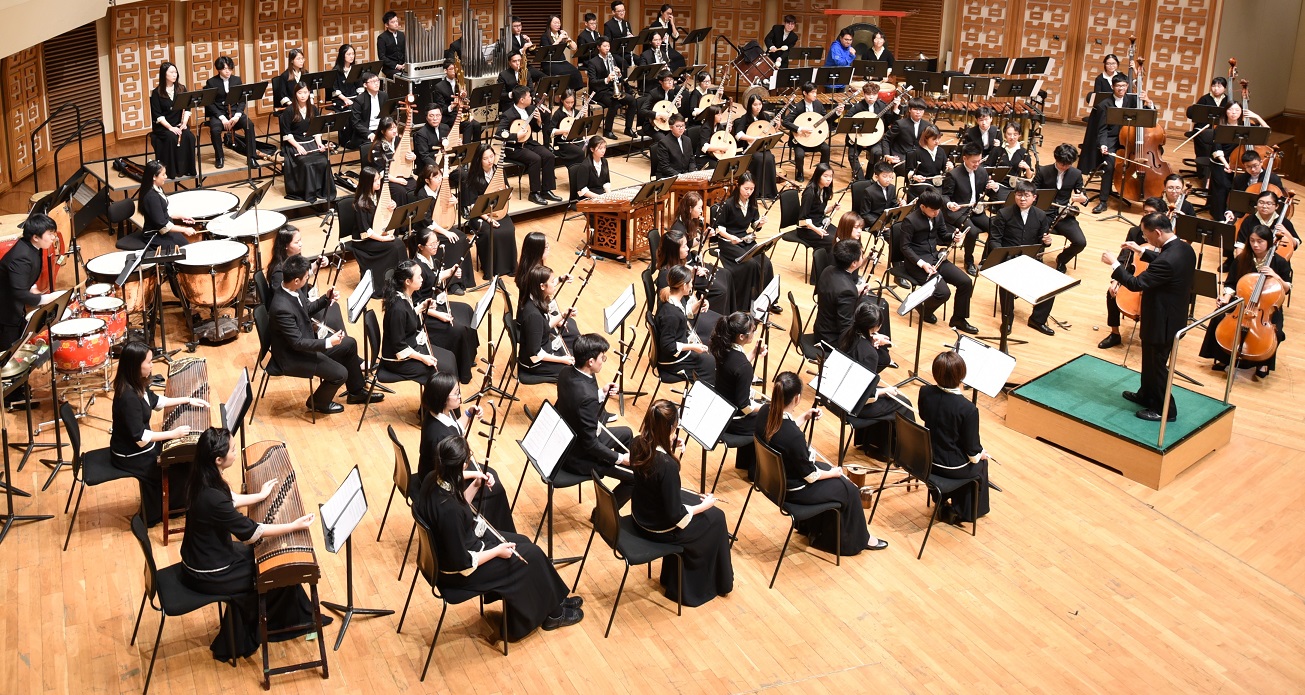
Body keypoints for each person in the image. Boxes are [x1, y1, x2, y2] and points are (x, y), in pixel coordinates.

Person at [413, 436, 584, 641]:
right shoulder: (449, 511)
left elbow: (459, 505)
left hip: (458, 549)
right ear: (461, 465)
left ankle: (554, 602)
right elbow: (462, 563)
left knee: (524, 543)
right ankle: (554, 615)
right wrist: (497, 552)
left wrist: (477, 483)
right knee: (531, 556)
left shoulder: (433, 479)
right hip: (459, 573)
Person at [180, 428, 325, 661]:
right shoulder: (212, 497)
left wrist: (259, 496)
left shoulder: (202, 475)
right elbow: (253, 532)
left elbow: (231, 499)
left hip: (201, 556)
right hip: (209, 572)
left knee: (270, 559)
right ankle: (279, 624)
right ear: (218, 460)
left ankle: (295, 617)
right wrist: (293, 526)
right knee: (273, 571)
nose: (235, 453)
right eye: (232, 450)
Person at [754, 372, 888, 553]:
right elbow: (810, 476)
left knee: (829, 472)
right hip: (794, 491)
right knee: (850, 489)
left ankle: (813, 529)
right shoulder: (793, 437)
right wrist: (834, 473)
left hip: (773, 481)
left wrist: (804, 417)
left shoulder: (765, 411)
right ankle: (860, 540)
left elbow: (780, 435)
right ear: (797, 398)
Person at [630, 399, 734, 606]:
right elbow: (676, 516)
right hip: (659, 527)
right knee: (716, 517)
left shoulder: (636, 443)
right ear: (670, 427)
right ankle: (702, 588)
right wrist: (703, 506)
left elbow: (654, 474)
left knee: (704, 510)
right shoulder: (667, 466)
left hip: (640, 515)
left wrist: (668, 446)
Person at [1099, 213, 1196, 422]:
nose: (1145, 238)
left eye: (1146, 234)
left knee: (1157, 366)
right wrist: (1140, 250)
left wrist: (1115, 264)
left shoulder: (1167, 260)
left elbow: (1136, 284)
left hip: (1162, 321)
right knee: (1150, 361)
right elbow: (1164, 260)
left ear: (1157, 232)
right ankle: (1146, 394)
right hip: (1169, 315)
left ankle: (1165, 410)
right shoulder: (1184, 248)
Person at [111, 341, 207, 527]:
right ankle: (161, 511)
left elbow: (156, 401)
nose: (152, 365)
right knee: (180, 467)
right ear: (135, 366)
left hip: (140, 446)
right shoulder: (128, 398)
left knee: (186, 459)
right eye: (148, 362)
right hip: (131, 455)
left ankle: (175, 503)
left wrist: (187, 400)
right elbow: (140, 437)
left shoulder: (137, 382)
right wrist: (173, 434)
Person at [269, 255, 377, 415]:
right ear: (296, 280)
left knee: (349, 343)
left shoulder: (292, 289)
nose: (308, 278)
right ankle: (318, 402)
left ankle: (356, 392)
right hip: (293, 357)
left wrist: (326, 299)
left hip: (305, 344)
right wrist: (328, 342)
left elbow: (306, 308)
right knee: (341, 374)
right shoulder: (281, 307)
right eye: (306, 276)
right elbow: (297, 343)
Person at [418, 373, 514, 532]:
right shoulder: (439, 437)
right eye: (456, 393)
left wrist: (468, 413)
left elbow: (455, 429)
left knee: (492, 474)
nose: (460, 396)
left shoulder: (440, 412)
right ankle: (493, 532)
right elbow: (447, 475)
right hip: (440, 485)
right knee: (495, 490)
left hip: (448, 470)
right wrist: (477, 475)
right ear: (442, 397)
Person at [1198, 224, 1291, 379]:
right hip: (1242, 302)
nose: (1255, 245)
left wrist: (1275, 276)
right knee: (1218, 316)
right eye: (1252, 241)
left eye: (1260, 241)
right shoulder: (1242, 259)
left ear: (1269, 242)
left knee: (1276, 332)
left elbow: (1287, 288)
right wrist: (1226, 297)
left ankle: (1263, 361)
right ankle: (1224, 357)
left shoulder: (1279, 262)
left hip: (1267, 307)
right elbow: (1231, 283)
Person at [556, 334, 635, 505]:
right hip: (579, 458)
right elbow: (591, 445)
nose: (603, 361)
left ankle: (631, 467)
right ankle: (601, 515)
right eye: (602, 358)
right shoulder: (587, 397)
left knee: (627, 433)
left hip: (570, 440)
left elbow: (576, 403)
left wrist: (601, 393)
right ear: (590, 362)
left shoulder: (565, 372)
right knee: (634, 478)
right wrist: (620, 458)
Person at [917, 351, 991, 524]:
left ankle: (941, 499)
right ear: (961, 375)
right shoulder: (968, 409)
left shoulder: (925, 391)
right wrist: (981, 455)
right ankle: (964, 512)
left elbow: (923, 415)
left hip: (927, 460)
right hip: (950, 467)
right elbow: (972, 451)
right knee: (981, 464)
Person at [894, 187, 976, 333]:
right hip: (916, 263)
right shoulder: (910, 221)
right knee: (943, 292)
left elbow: (943, 235)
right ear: (922, 206)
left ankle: (958, 319)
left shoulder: (938, 214)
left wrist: (953, 237)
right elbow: (905, 247)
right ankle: (923, 308)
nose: (936, 213)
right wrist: (922, 264)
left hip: (936, 257)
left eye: (938, 210)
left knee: (965, 282)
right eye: (933, 210)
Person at [836, 302, 912, 455]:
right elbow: (868, 397)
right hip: (854, 405)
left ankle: (871, 443)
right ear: (875, 327)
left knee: (890, 398)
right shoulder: (869, 354)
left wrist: (870, 339)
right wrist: (885, 391)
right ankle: (902, 454)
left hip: (838, 394)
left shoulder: (846, 333)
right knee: (904, 403)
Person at [407, 226, 478, 384]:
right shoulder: (416, 268)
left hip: (436, 302)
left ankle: (468, 356)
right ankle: (462, 368)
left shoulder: (430, 258)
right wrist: (440, 315)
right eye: (432, 244)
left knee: (467, 309)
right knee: (458, 329)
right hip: (425, 313)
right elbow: (417, 303)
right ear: (420, 247)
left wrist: (451, 272)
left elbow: (435, 278)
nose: (436, 246)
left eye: (437, 242)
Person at [989, 180, 1056, 335]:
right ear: (1015, 196)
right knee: (1006, 284)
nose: (1022, 199)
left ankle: (1037, 320)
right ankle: (1007, 321)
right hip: (1007, 260)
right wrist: (1002, 255)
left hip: (1030, 260)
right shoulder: (1004, 214)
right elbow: (994, 240)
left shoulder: (1040, 215)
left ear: (1034, 197)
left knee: (1051, 284)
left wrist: (1047, 242)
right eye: (1019, 195)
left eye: (1026, 195)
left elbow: (1041, 242)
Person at [1098, 197, 1162, 350]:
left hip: (1158, 278)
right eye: (1145, 212)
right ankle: (1115, 333)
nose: (1147, 216)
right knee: (1112, 292)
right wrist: (1116, 280)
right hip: (1137, 273)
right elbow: (1125, 257)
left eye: (1151, 213)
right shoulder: (1135, 232)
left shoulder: (1165, 236)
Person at [708, 312, 764, 474]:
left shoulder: (723, 350)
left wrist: (753, 353)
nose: (754, 333)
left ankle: (744, 462)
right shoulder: (743, 367)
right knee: (770, 418)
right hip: (734, 422)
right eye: (752, 331)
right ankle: (756, 472)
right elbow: (745, 407)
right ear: (741, 336)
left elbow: (736, 369)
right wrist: (769, 408)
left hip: (722, 412)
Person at [383, 260, 457, 382]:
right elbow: (399, 347)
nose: (422, 279)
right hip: (397, 360)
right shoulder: (397, 309)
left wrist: (422, 307)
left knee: (450, 357)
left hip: (409, 345)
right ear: (408, 282)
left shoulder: (403, 294)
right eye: (419, 277)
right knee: (445, 369)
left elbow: (408, 316)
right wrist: (422, 358)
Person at [712, 173, 775, 310]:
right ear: (738, 186)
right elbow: (719, 229)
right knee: (749, 264)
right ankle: (742, 304)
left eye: (752, 189)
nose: (749, 192)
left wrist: (760, 223)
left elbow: (754, 224)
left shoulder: (752, 203)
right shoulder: (728, 204)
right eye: (746, 188)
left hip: (744, 239)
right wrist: (731, 238)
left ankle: (767, 300)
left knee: (766, 263)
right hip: (728, 241)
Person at [815, 238, 893, 348]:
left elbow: (835, 293)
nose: (863, 257)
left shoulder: (828, 270)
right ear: (854, 263)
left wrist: (855, 290)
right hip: (831, 339)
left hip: (821, 329)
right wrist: (871, 338)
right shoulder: (847, 291)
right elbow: (845, 328)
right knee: (878, 355)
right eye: (861, 256)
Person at [457, 145, 519, 279]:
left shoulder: (499, 171)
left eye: (491, 156)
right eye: (485, 158)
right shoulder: (471, 177)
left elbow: (507, 191)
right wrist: (488, 219)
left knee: (509, 230)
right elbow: (472, 206)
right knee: (491, 233)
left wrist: (508, 194)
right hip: (479, 215)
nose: (490, 160)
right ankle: (491, 269)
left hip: (498, 212)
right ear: (479, 160)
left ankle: (510, 267)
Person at [0, 214, 60, 352]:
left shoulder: (32, 247)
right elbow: (19, 293)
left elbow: (21, 275)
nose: (53, 237)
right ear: (35, 237)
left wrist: (32, 287)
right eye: (50, 234)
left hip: (13, 305)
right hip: (5, 310)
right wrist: (47, 298)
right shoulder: (21, 257)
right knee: (9, 352)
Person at [1093, 73, 1151, 214]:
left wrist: (1148, 102)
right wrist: (1103, 144)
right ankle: (1103, 201)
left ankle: (1144, 196)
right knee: (1109, 165)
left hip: (1130, 140)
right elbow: (1102, 129)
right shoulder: (1104, 105)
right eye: (1118, 86)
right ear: (1113, 87)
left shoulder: (1133, 100)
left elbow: (1148, 117)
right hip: (1112, 140)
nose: (1121, 89)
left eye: (1124, 86)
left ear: (1127, 86)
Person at [410, 163, 472, 289]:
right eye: (435, 177)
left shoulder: (441, 189)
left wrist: (454, 201)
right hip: (426, 229)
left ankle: (463, 279)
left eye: (439, 176)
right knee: (452, 240)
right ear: (427, 180)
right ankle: (451, 283)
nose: (439, 179)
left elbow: (447, 204)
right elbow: (427, 221)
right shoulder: (422, 194)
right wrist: (446, 232)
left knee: (462, 238)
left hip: (441, 226)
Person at [267, 226, 342, 329]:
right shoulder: (279, 273)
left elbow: (302, 275)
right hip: (295, 316)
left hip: (304, 304)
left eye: (300, 240)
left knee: (334, 308)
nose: (301, 244)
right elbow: (285, 302)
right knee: (334, 318)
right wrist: (311, 303)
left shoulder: (294, 259)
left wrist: (317, 264)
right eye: (296, 242)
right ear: (285, 246)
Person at [350, 166, 409, 298]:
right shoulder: (360, 203)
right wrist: (383, 239)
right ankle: (384, 284)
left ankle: (400, 281)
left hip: (376, 234)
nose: (378, 182)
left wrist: (392, 206)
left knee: (399, 244)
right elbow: (365, 231)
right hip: (364, 240)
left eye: (379, 179)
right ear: (367, 183)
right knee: (394, 246)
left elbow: (382, 216)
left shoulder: (378, 195)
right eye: (375, 180)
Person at [497, 86, 561, 206]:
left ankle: (546, 190)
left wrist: (538, 121)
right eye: (529, 96)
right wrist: (516, 136)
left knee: (549, 155)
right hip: (514, 148)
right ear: (522, 100)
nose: (531, 97)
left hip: (529, 143)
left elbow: (534, 129)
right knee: (535, 159)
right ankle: (534, 193)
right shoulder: (508, 114)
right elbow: (499, 133)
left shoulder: (530, 109)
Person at [943, 142, 1001, 274]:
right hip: (959, 211)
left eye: (979, 160)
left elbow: (988, 193)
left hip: (976, 210)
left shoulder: (982, 171)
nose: (977, 164)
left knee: (994, 227)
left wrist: (994, 187)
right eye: (974, 161)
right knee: (972, 231)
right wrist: (949, 204)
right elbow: (945, 196)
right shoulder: (954, 174)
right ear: (964, 158)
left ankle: (985, 260)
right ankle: (968, 261)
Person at [654, 266, 717, 384]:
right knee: (710, 363)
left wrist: (698, 304)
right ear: (683, 286)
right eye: (691, 283)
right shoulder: (671, 315)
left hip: (678, 349)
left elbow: (682, 313)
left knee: (710, 357)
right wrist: (693, 347)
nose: (692, 286)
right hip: (673, 362)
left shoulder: (671, 298)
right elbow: (668, 346)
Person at [1032, 143, 1089, 272]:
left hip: (1064, 214)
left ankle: (1062, 259)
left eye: (1068, 165)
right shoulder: (1043, 171)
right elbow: (1033, 191)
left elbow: (1083, 195)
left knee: (1080, 242)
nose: (1064, 167)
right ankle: (1038, 257)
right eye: (1062, 164)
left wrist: (1083, 199)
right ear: (1056, 159)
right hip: (1043, 213)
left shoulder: (1076, 173)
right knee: (1038, 233)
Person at [118, 160, 199, 251]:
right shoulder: (151, 197)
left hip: (163, 231)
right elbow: (162, 225)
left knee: (185, 245)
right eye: (163, 174)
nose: (166, 177)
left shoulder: (157, 188)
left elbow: (165, 211)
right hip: (154, 235)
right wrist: (184, 229)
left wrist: (183, 217)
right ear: (154, 177)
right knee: (180, 251)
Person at [279, 82, 336, 204]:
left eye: (305, 92)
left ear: (309, 93)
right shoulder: (289, 111)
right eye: (300, 93)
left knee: (324, 161)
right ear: (295, 94)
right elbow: (287, 134)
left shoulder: (313, 109)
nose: (303, 95)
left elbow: (317, 130)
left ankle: (321, 190)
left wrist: (319, 143)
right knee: (306, 163)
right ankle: (308, 192)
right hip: (294, 143)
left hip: (310, 141)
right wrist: (298, 147)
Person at [517, 264, 577, 381]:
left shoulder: (537, 300)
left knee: (577, 355)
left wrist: (564, 315)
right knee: (577, 370)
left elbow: (545, 326)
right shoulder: (533, 315)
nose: (555, 284)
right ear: (542, 286)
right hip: (535, 364)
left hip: (545, 348)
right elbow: (536, 354)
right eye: (552, 281)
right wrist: (562, 360)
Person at [657, 226, 730, 319]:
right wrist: (696, 307)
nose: (688, 248)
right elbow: (674, 310)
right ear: (674, 251)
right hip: (681, 319)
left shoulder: (675, 265)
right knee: (717, 320)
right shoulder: (665, 276)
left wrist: (692, 271)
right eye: (684, 246)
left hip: (687, 309)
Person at [203, 57, 257, 169]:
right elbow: (209, 103)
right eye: (224, 69)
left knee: (249, 125)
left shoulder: (237, 80)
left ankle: (251, 157)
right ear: (218, 69)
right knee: (215, 130)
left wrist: (237, 115)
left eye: (230, 68)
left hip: (235, 113)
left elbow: (242, 100)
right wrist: (222, 118)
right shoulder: (211, 82)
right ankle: (219, 157)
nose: (228, 71)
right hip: (219, 114)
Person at [1079, 53, 1128, 173]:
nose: (1111, 66)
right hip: (1102, 111)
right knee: (1099, 136)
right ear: (1105, 65)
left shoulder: (1121, 77)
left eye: (1113, 63)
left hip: (1118, 112)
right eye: (1108, 63)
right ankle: (1094, 165)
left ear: (1117, 65)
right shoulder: (1100, 78)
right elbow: (1097, 97)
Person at [783, 83, 840, 182]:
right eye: (812, 92)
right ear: (805, 93)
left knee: (826, 149)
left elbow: (825, 120)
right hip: (800, 140)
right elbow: (786, 122)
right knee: (799, 155)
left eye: (816, 92)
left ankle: (822, 172)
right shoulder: (798, 107)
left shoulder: (818, 104)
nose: (815, 95)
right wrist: (800, 129)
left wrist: (837, 113)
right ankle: (800, 172)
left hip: (814, 139)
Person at [150, 62, 196, 178]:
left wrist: (184, 123)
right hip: (163, 127)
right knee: (171, 137)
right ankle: (172, 171)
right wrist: (171, 128)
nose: (174, 74)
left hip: (178, 123)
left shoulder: (181, 89)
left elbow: (187, 108)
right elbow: (158, 115)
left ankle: (187, 169)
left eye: (175, 72)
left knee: (189, 136)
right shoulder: (156, 93)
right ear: (164, 74)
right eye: (171, 72)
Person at [585, 38, 637, 139]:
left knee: (632, 100)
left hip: (611, 90)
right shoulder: (593, 62)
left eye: (608, 46)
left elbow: (619, 79)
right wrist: (607, 79)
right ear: (598, 47)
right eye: (605, 46)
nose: (607, 48)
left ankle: (628, 128)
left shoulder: (611, 58)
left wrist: (619, 74)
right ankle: (607, 130)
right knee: (615, 102)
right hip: (599, 92)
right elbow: (593, 82)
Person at [364, 116, 419, 206]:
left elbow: (406, 157)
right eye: (390, 129)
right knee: (400, 191)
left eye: (395, 127)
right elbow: (380, 171)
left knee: (416, 186)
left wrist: (413, 157)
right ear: (383, 131)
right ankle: (400, 214)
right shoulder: (377, 147)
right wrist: (397, 180)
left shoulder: (398, 140)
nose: (394, 131)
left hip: (401, 173)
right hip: (387, 178)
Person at [735, 94, 779, 199]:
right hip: (751, 148)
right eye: (755, 105)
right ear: (750, 105)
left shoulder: (765, 117)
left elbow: (770, 133)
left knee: (770, 158)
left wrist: (777, 126)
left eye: (760, 104)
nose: (758, 107)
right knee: (759, 159)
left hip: (763, 147)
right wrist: (753, 138)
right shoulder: (745, 118)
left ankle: (769, 192)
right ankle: (757, 192)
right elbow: (738, 135)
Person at [797, 163, 838, 250]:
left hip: (819, 223)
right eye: (825, 176)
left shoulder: (824, 189)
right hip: (807, 229)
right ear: (818, 176)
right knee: (834, 242)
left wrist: (833, 208)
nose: (829, 179)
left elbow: (818, 210)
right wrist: (817, 230)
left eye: (830, 176)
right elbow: (802, 219)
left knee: (841, 236)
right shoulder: (809, 193)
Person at [905, 125, 953, 199]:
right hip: (922, 183)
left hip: (937, 182)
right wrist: (915, 177)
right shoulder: (916, 152)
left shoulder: (941, 151)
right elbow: (909, 171)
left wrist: (949, 168)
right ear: (926, 138)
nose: (937, 141)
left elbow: (944, 170)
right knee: (935, 194)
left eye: (938, 138)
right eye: (934, 139)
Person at [541, 15, 583, 91]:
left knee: (576, 72)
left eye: (559, 23)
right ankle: (560, 93)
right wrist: (559, 39)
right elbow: (549, 50)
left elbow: (574, 48)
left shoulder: (561, 35)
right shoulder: (545, 36)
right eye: (555, 23)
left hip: (562, 61)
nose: (558, 25)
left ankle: (570, 93)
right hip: (549, 62)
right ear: (549, 24)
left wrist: (567, 38)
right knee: (562, 73)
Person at [885, 98, 931, 166]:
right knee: (908, 168)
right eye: (915, 109)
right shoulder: (900, 124)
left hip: (918, 156)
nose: (918, 112)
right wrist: (887, 155)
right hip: (901, 156)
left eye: (921, 110)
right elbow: (886, 139)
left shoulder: (927, 125)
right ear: (909, 110)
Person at [346, 71, 384, 150]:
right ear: (365, 85)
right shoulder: (359, 100)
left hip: (380, 130)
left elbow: (387, 115)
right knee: (376, 146)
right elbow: (356, 123)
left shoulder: (383, 95)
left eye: (377, 80)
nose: (376, 84)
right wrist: (369, 134)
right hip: (365, 132)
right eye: (373, 82)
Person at [549, 91, 587, 165]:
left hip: (577, 141)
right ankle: (576, 169)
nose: (570, 105)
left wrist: (585, 116)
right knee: (580, 152)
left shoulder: (577, 112)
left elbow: (584, 128)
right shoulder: (558, 114)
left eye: (572, 102)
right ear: (562, 100)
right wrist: (564, 131)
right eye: (567, 102)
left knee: (590, 148)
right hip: (564, 143)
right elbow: (550, 130)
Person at [858, 161, 899, 228]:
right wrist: (879, 225)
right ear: (876, 177)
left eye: (890, 177)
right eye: (885, 176)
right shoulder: (869, 192)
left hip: (888, 220)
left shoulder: (892, 188)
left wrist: (900, 206)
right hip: (875, 221)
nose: (888, 180)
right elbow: (865, 214)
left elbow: (893, 205)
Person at [505, 16, 546, 85]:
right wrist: (523, 49)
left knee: (544, 77)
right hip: (516, 67)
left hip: (526, 66)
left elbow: (534, 53)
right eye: (515, 26)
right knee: (528, 81)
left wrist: (529, 42)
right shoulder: (508, 39)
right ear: (511, 27)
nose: (518, 28)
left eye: (519, 25)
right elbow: (510, 55)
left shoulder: (523, 37)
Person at [572, 135, 611, 200]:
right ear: (592, 149)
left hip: (601, 195)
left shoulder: (604, 161)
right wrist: (599, 197)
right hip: (587, 198)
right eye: (600, 148)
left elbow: (606, 182)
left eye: (604, 147)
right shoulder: (585, 166)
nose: (603, 150)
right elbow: (582, 190)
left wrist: (609, 195)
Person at [412, 105, 450, 169]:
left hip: (444, 161)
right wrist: (438, 168)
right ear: (426, 118)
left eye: (438, 115)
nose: (435, 118)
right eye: (431, 116)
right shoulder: (421, 134)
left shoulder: (445, 127)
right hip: (430, 166)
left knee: (462, 173)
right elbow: (424, 156)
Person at [329, 44, 362, 112]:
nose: (351, 56)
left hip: (354, 97)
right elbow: (335, 90)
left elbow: (359, 86)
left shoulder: (355, 69)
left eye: (353, 54)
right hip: (341, 99)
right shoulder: (336, 71)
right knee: (351, 109)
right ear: (342, 55)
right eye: (349, 54)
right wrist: (345, 99)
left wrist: (360, 99)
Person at [377, 10, 407, 78]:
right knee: (400, 76)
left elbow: (405, 51)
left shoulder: (401, 34)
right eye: (393, 22)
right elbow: (382, 57)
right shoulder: (382, 38)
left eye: (396, 21)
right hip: (390, 68)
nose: (396, 24)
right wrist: (396, 66)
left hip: (403, 65)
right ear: (386, 25)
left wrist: (405, 64)